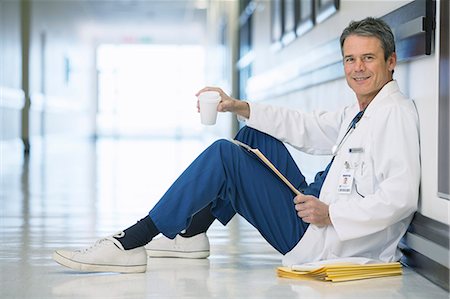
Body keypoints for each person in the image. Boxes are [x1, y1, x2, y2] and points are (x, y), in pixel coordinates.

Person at [53, 17, 420, 273]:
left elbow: (401, 197)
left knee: (225, 155)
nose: (357, 68)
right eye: (350, 59)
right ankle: (192, 236)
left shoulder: (395, 114)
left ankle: (133, 241)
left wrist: (332, 215)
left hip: (322, 236)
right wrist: (238, 106)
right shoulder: (361, 111)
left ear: (391, 62)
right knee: (254, 136)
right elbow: (308, 127)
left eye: (368, 58)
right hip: (315, 207)